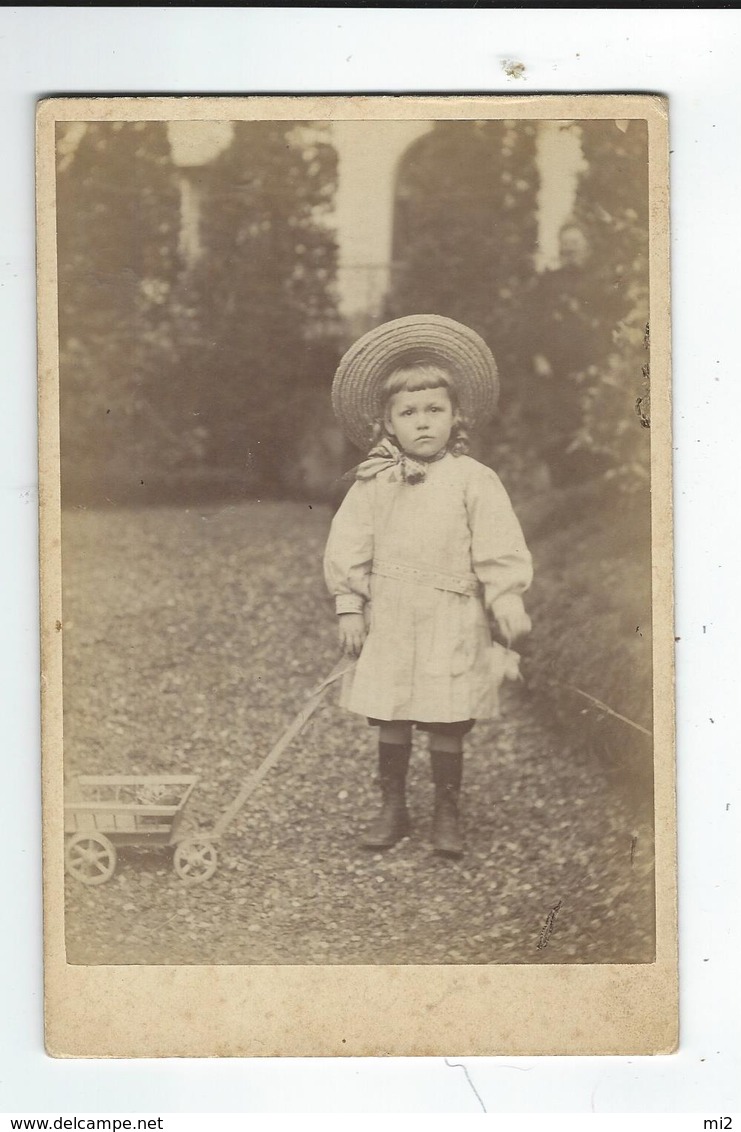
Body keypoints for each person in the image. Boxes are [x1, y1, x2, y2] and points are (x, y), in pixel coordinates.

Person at [323, 314, 533, 858]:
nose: (423, 423)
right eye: (409, 413)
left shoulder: (474, 480)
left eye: (434, 410)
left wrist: (505, 597)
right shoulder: (375, 480)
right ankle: (393, 806)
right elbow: (350, 544)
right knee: (391, 711)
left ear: (455, 415)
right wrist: (350, 605)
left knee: (447, 712)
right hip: (392, 614)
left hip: (451, 617)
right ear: (388, 424)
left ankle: (447, 808)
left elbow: (497, 545)